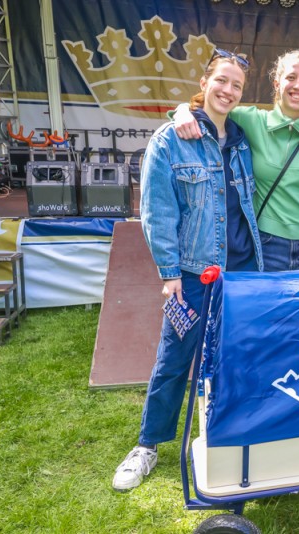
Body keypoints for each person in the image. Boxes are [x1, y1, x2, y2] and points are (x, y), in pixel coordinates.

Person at [112, 49, 262, 492]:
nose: (228, 90)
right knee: (175, 359)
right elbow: (158, 212)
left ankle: (232, 436)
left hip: (243, 272)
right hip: (197, 273)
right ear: (205, 80)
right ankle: (147, 446)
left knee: (235, 358)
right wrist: (170, 273)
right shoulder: (170, 138)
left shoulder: (240, 137)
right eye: (222, 81)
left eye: (236, 85)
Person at [172, 50, 299, 271]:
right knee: (270, 306)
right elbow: (210, 107)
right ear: (277, 83)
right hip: (267, 244)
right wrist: (182, 112)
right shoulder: (251, 120)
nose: (297, 85)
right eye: (290, 77)